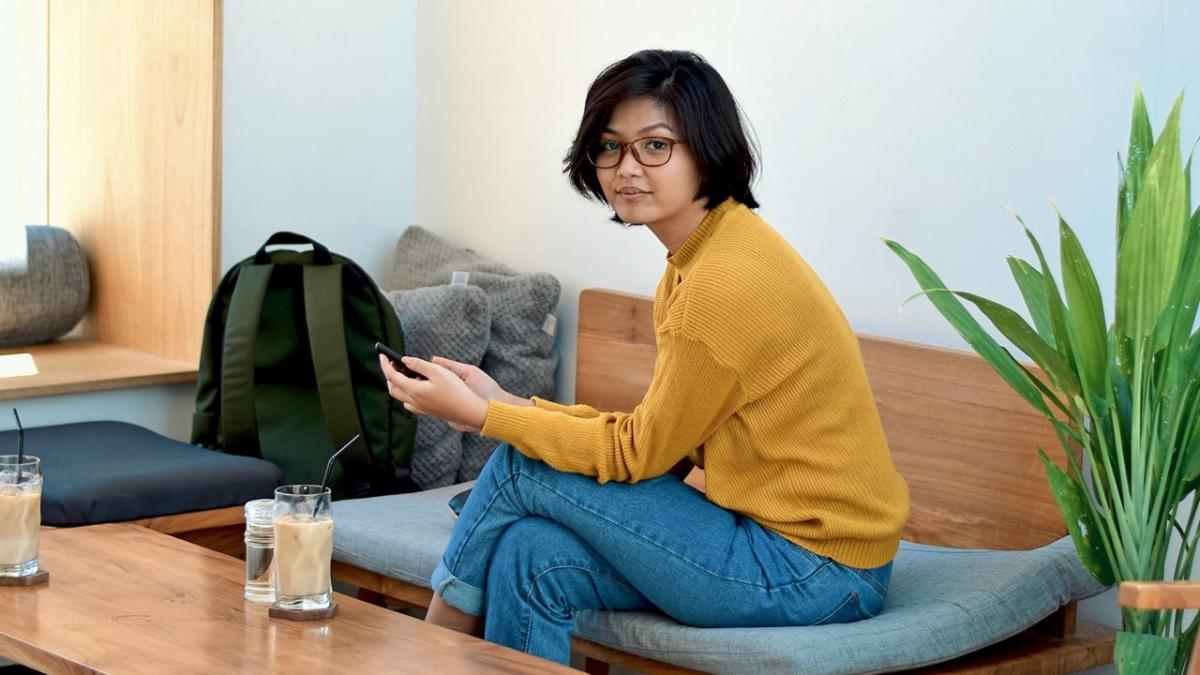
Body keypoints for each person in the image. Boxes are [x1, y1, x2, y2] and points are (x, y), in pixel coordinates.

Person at [379, 49, 910, 665]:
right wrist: (505, 403)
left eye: (654, 147)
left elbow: (639, 454)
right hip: (774, 547)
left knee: (520, 469)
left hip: (814, 572)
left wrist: (485, 419)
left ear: (706, 149)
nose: (626, 168)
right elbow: (658, 439)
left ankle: (424, 658)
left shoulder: (722, 282)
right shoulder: (700, 258)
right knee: (530, 553)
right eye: (610, 147)